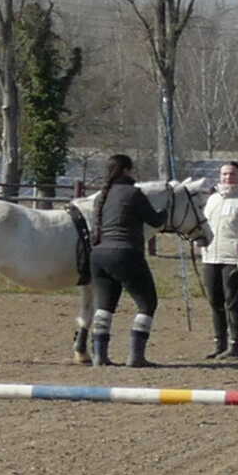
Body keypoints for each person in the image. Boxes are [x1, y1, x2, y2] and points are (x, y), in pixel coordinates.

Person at [79, 153, 173, 366]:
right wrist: (165, 210)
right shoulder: (134, 193)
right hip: (126, 254)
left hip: (98, 256)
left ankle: (100, 356)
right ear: (125, 170)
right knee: (147, 303)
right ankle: (136, 356)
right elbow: (155, 220)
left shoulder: (102, 196)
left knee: (104, 306)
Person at [194, 159, 238, 362]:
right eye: (224, 174)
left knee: (232, 302)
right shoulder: (213, 199)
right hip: (210, 258)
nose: (228, 177)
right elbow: (204, 226)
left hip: (233, 259)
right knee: (215, 302)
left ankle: (235, 345)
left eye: (232, 174)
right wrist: (199, 242)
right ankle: (220, 344)